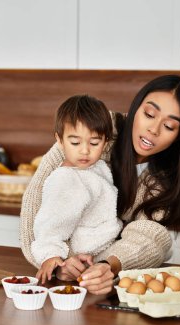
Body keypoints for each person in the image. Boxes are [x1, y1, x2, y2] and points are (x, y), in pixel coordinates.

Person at [20, 74, 180, 295]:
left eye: (169, 126)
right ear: (136, 109)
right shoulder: (94, 129)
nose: (154, 129)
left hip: (107, 285)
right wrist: (55, 263)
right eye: (149, 114)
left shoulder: (169, 179)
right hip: (63, 284)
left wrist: (108, 266)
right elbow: (36, 203)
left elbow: (149, 237)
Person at [30, 95, 122, 284]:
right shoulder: (65, 179)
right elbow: (49, 225)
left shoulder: (98, 168)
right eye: (75, 142)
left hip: (104, 258)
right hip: (84, 259)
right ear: (60, 140)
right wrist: (50, 255)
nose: (85, 151)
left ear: (105, 142)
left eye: (94, 143)